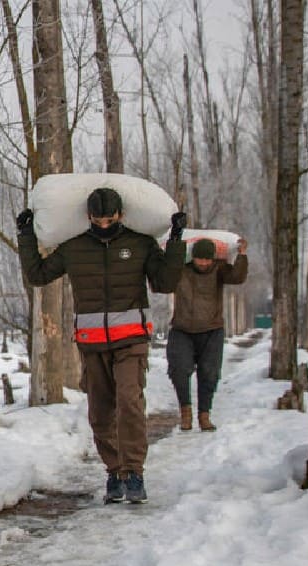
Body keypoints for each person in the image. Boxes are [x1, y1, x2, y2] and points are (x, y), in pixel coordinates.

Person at [16, 189, 185, 504]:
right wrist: (26, 235)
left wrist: (176, 240)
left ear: (121, 215)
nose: (104, 224)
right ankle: (114, 471)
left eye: (110, 219)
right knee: (100, 412)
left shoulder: (139, 244)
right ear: (88, 217)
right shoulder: (74, 247)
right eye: (98, 219)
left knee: (130, 403)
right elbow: (38, 275)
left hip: (132, 339)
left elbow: (165, 282)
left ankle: (134, 473)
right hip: (92, 343)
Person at [167, 236, 249, 432]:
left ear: (213, 259)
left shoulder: (220, 269)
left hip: (212, 329)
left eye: (207, 259)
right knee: (179, 369)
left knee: (209, 374)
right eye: (199, 259)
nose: (203, 263)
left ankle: (204, 414)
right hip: (182, 329)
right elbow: (162, 281)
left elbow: (237, 277)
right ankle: (185, 412)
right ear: (192, 257)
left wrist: (242, 255)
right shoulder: (181, 270)